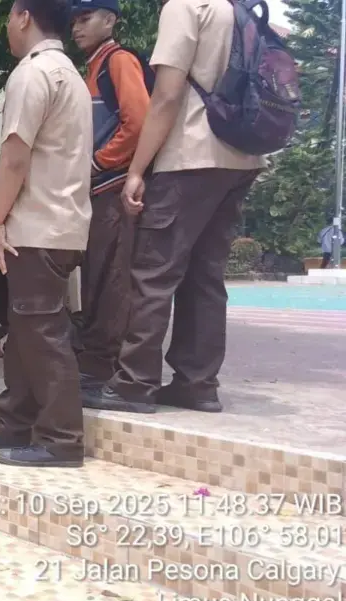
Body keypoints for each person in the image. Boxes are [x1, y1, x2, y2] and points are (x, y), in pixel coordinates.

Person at [82, 0, 266, 415]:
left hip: (191, 156)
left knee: (152, 272)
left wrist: (137, 170)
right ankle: (197, 383)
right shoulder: (241, 11)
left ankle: (134, 383)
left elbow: (165, 97)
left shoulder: (186, 7)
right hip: (241, 158)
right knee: (205, 274)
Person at [0, 0, 93, 468]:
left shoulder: (32, 74)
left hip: (39, 225)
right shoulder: (68, 72)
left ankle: (60, 439)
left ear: (25, 16)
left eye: (10, 15)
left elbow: (14, 157)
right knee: (26, 328)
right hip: (60, 223)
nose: (7, 25)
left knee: (43, 332)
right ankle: (14, 421)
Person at [70, 0, 150, 391]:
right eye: (74, 21)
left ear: (110, 20)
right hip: (98, 191)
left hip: (113, 188)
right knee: (97, 275)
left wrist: (98, 164)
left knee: (111, 277)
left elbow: (139, 122)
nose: (76, 28)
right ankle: (96, 359)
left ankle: (103, 365)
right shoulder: (93, 68)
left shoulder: (118, 61)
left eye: (85, 19)